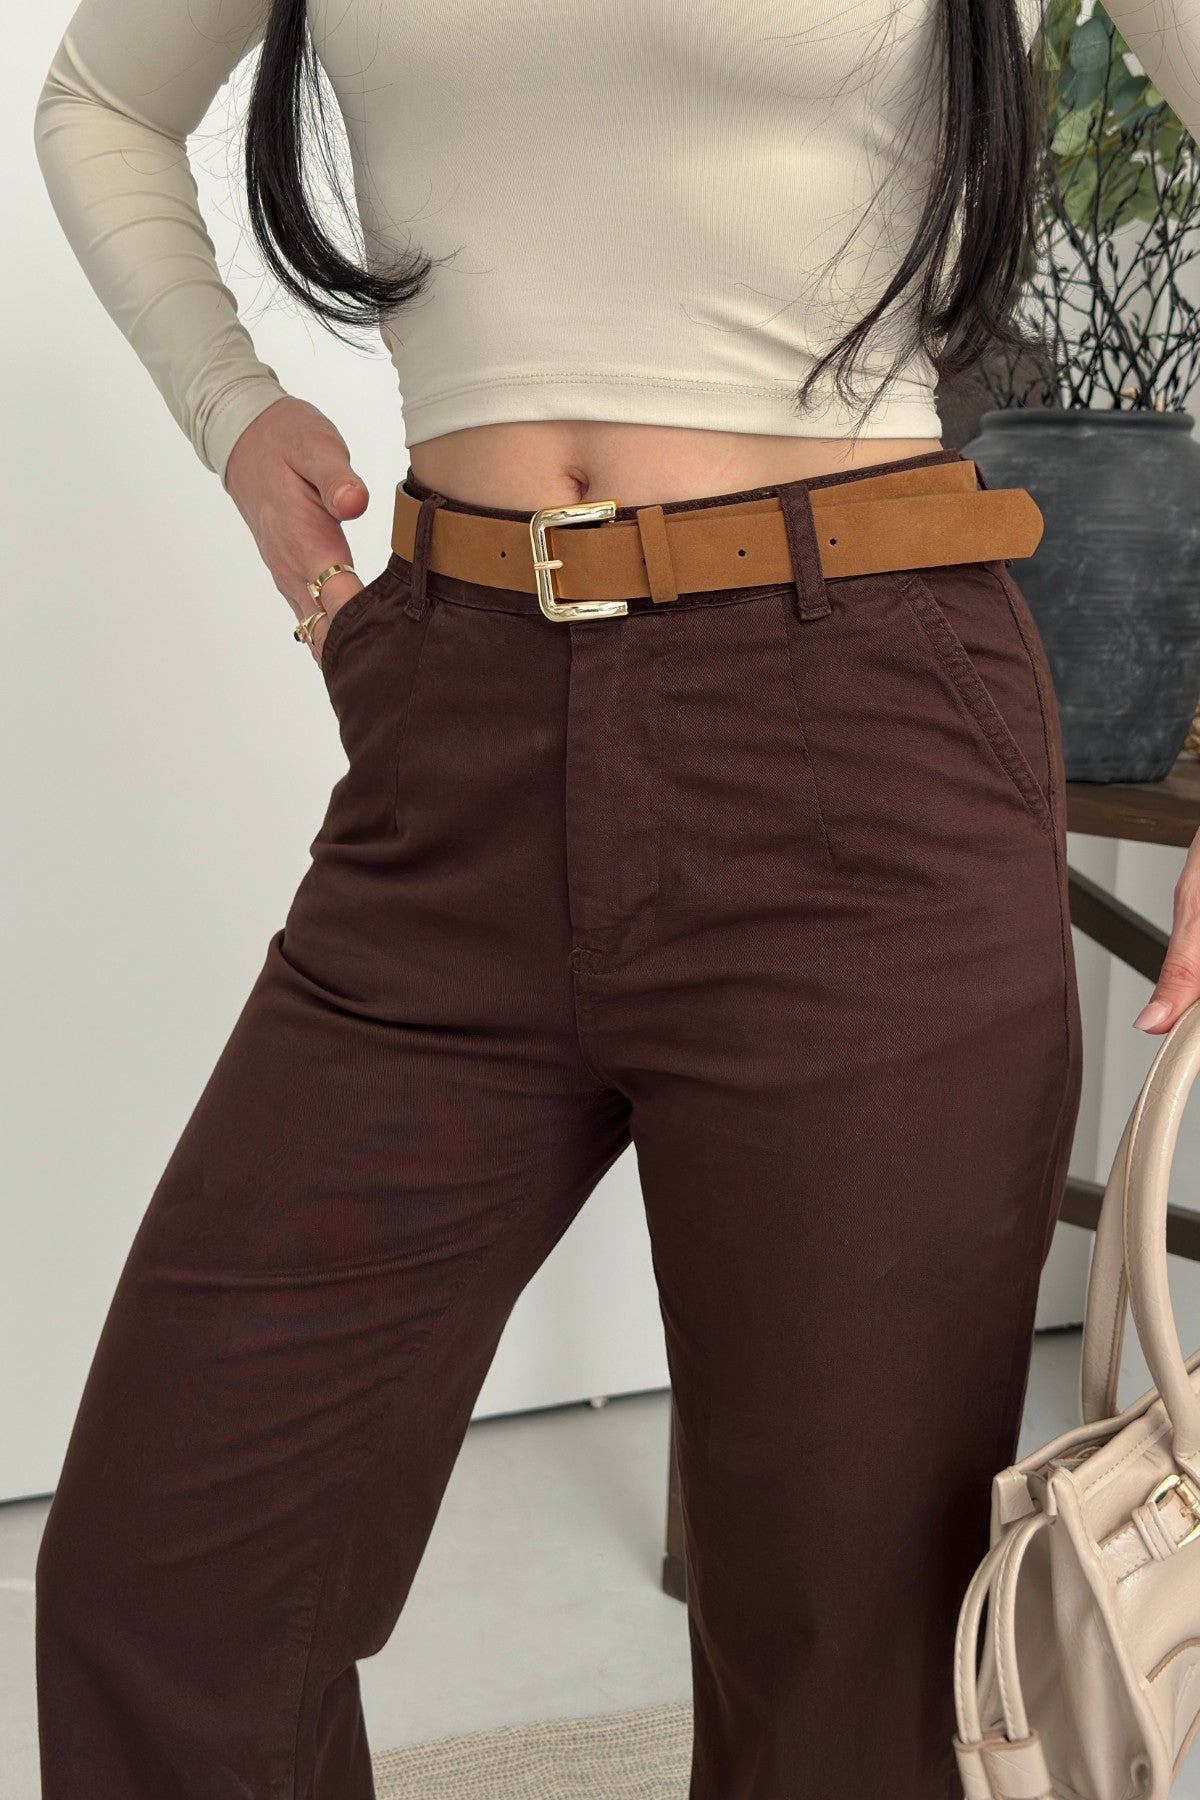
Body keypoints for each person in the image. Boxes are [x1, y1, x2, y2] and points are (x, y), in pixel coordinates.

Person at [26, 1, 1198, 1795]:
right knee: (167, 1587)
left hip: (858, 744)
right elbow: (99, 103)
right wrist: (235, 414)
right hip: (457, 729)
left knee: (846, 1671)